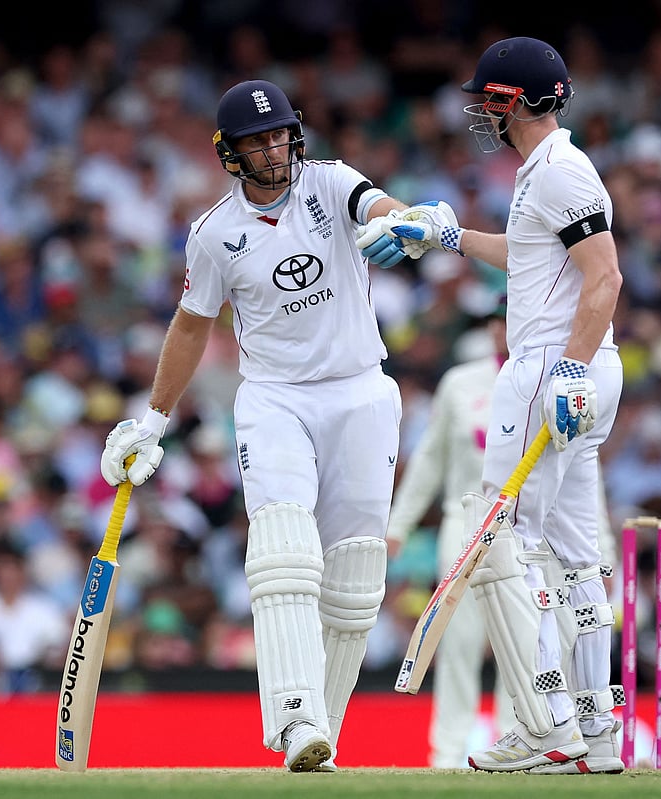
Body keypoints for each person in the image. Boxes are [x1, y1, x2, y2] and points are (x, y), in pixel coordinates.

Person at [100, 79, 423, 773]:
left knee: (357, 572)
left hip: (362, 390)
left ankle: (320, 735)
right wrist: (153, 420)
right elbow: (191, 328)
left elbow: (382, 207)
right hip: (275, 398)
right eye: (257, 140)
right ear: (231, 153)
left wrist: (410, 223)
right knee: (284, 551)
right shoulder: (216, 233)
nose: (273, 149)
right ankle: (295, 713)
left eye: (279, 134)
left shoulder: (332, 183)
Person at [377, 37, 626, 774]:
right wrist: (451, 235)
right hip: (568, 365)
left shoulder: (560, 171)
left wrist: (570, 371)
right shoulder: (539, 176)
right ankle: (596, 730)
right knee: (575, 557)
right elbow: (528, 258)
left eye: (492, 97)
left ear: (521, 100)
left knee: (499, 544)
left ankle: (543, 723)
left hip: (554, 365)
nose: (483, 108)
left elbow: (605, 276)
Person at [385, 305, 517, 767]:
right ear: (489, 329)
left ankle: (517, 742)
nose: (504, 330)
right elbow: (429, 459)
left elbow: (583, 472)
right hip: (464, 524)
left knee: (521, 645)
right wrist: (399, 523)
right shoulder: (461, 383)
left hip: (523, 529)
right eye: (497, 322)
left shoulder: (545, 380)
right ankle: (447, 751)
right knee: (457, 640)